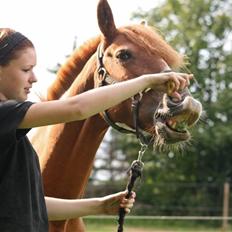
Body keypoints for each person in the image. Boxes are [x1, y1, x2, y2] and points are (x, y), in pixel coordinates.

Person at [0, 28, 192, 232]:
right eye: (26, 69)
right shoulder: (4, 114)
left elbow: (30, 204)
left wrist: (99, 205)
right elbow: (77, 109)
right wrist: (147, 81)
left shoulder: (11, 133)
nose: (34, 78)